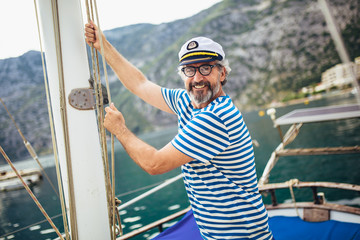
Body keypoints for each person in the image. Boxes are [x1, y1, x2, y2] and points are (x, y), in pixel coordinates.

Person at [85, 22, 273, 240]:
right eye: (189, 70)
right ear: (183, 74)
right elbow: (140, 84)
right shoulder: (188, 101)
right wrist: (103, 45)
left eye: (206, 68)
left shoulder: (216, 117)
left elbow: (155, 164)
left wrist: (119, 130)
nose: (197, 78)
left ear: (222, 73)